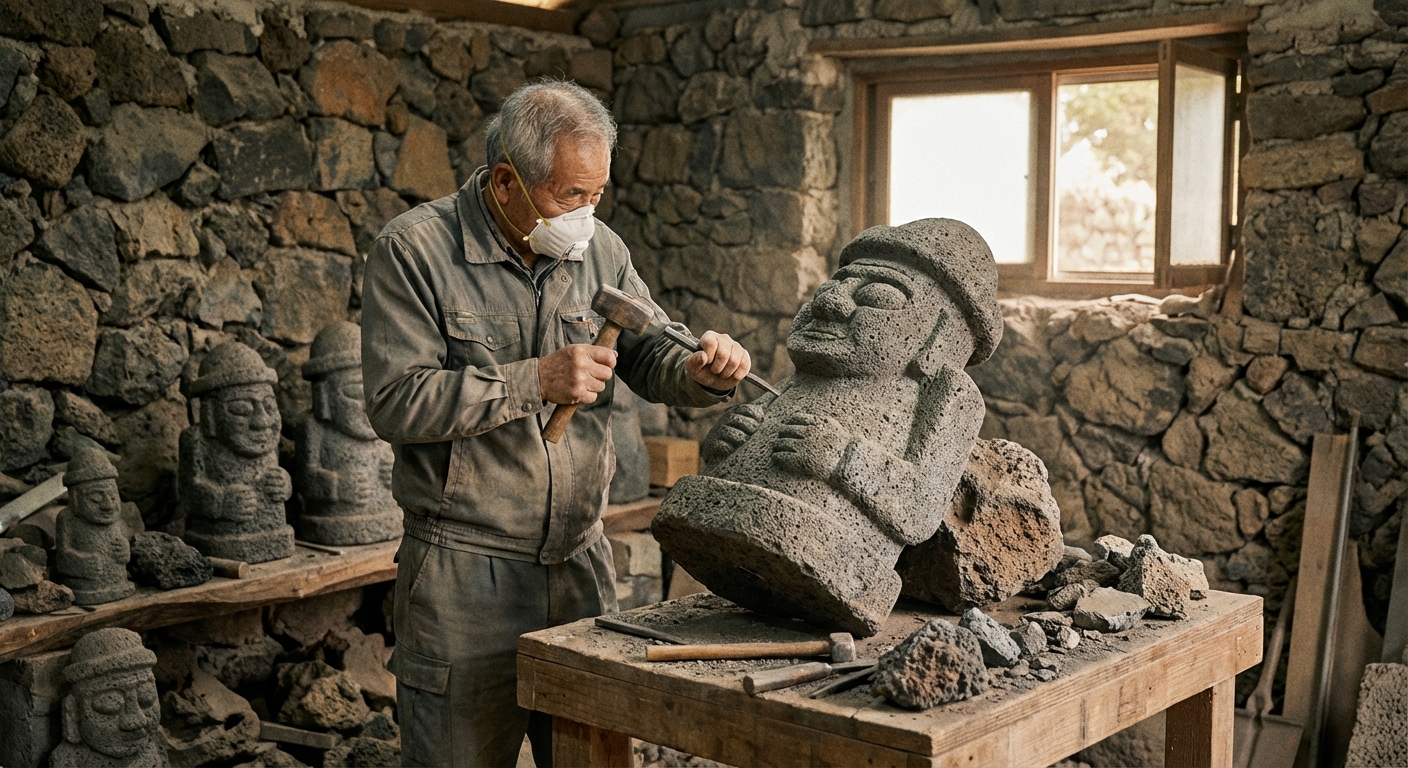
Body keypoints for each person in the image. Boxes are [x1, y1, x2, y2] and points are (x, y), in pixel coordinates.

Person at [360, 80, 751, 767]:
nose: (587, 214)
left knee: (591, 758)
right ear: (506, 182)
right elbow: (396, 401)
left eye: (597, 195)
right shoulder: (415, 251)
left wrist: (698, 373)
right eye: (571, 196)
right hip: (464, 575)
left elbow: (651, 350)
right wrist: (532, 379)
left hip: (579, 565)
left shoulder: (602, 250)